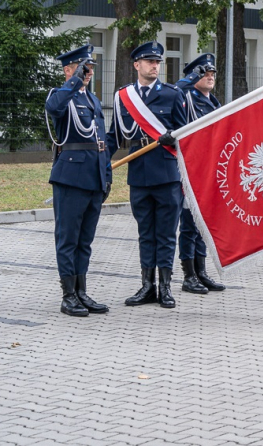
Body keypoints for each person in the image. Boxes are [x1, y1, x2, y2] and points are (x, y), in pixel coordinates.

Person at [107, 41, 187, 309]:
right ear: (136, 65)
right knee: (145, 233)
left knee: (166, 233)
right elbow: (114, 136)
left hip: (167, 175)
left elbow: (188, 134)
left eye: (157, 62)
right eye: (149, 61)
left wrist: (173, 137)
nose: (155, 66)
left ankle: (165, 287)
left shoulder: (173, 95)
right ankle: (147, 286)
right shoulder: (124, 97)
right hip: (139, 176)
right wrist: (98, 162)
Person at [45, 44, 111, 317]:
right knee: (68, 239)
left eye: (91, 68)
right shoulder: (62, 95)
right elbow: (53, 107)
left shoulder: (93, 100)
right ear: (68, 70)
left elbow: (101, 142)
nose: (88, 72)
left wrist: (106, 176)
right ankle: (68, 295)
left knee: (85, 240)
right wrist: (74, 81)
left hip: (93, 178)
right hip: (71, 178)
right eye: (83, 67)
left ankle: (82, 291)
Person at [174, 54, 230, 292]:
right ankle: (189, 275)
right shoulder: (186, 96)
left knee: (202, 223)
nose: (210, 77)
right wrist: (190, 79)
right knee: (189, 224)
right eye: (204, 74)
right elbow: (175, 88)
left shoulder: (214, 102)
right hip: (192, 170)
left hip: (209, 170)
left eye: (212, 74)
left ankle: (201, 271)